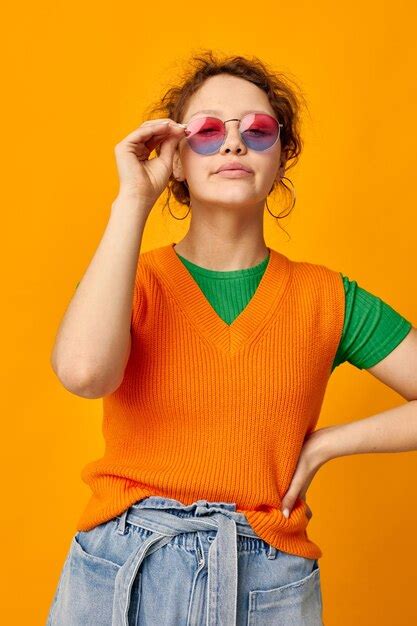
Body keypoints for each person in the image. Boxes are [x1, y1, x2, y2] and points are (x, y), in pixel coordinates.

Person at [46, 51, 416, 626]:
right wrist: (132, 202)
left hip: (267, 571)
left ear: (283, 155)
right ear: (175, 158)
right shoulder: (132, 280)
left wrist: (325, 444)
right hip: (125, 566)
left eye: (259, 131)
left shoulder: (328, 299)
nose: (234, 144)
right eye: (208, 130)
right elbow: (84, 373)